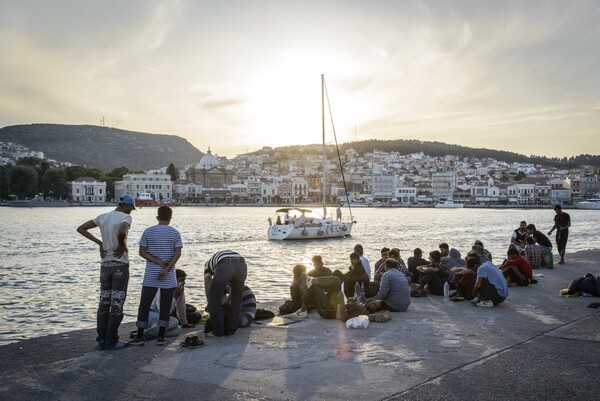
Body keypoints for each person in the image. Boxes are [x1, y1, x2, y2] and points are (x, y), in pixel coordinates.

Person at [76, 194, 136, 350]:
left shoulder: (102, 217)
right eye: (131, 209)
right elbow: (122, 231)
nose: (131, 212)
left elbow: (81, 228)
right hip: (120, 265)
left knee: (104, 303)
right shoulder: (125, 217)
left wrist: (99, 243)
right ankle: (111, 340)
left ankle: (101, 340)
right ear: (127, 206)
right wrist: (122, 244)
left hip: (105, 265)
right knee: (116, 304)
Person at [130, 206, 183, 346]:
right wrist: (166, 269)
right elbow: (177, 254)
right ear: (170, 218)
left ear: (157, 217)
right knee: (165, 306)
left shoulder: (148, 231)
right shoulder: (175, 233)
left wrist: (157, 262)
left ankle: (140, 335)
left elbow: (142, 252)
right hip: (169, 273)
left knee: (144, 305)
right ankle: (160, 336)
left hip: (151, 273)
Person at [204, 250, 247, 337]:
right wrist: (227, 300)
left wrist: (209, 302)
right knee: (237, 300)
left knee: (213, 299)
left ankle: (217, 332)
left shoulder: (207, 266)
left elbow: (208, 286)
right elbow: (233, 288)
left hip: (225, 263)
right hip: (242, 263)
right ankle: (231, 330)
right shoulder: (216, 261)